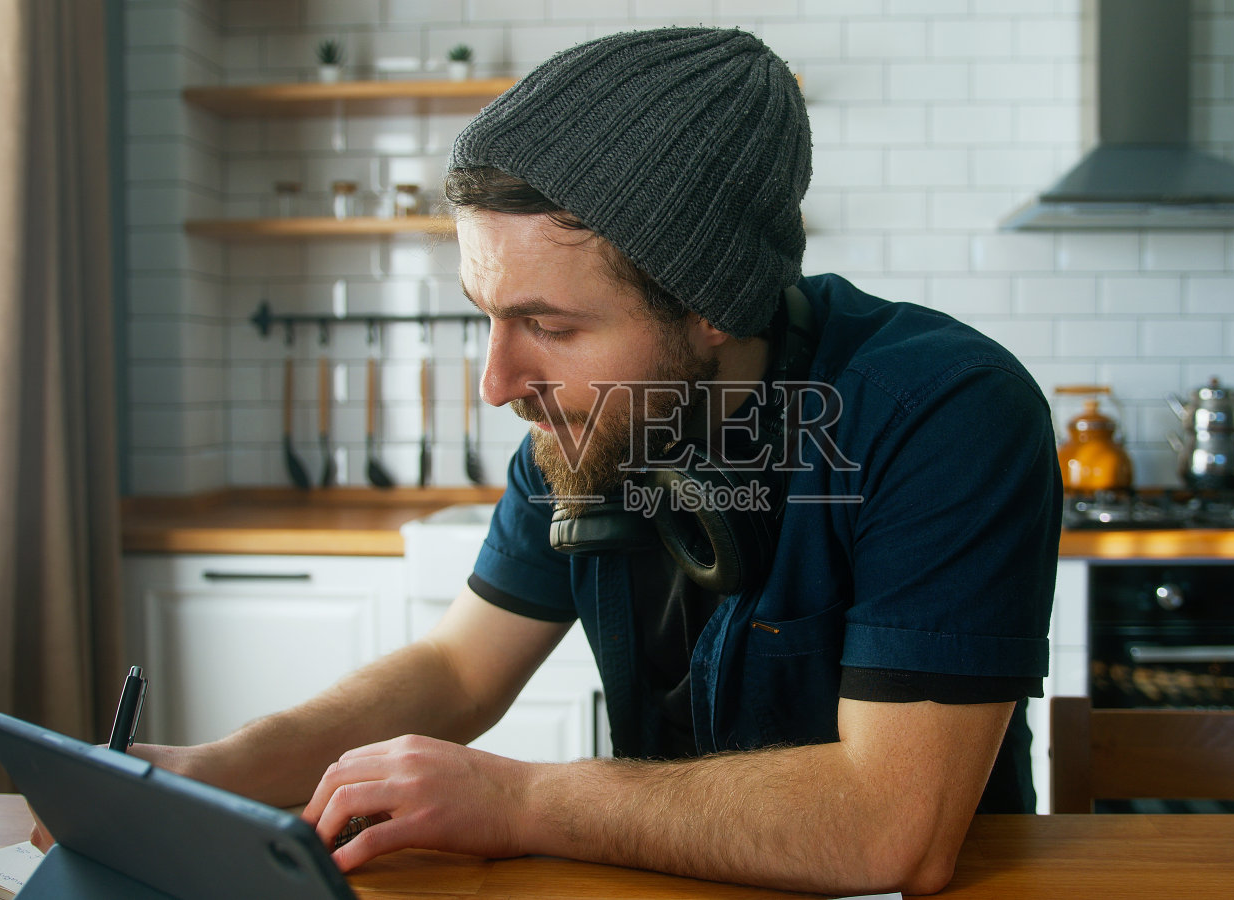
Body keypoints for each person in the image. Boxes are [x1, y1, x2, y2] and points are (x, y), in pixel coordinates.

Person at [79, 28, 1059, 896]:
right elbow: (459, 670)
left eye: (546, 325)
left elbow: (892, 827)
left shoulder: (938, 411)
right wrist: (215, 772)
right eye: (488, 318)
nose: (498, 382)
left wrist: (516, 802)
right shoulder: (588, 427)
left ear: (711, 304)